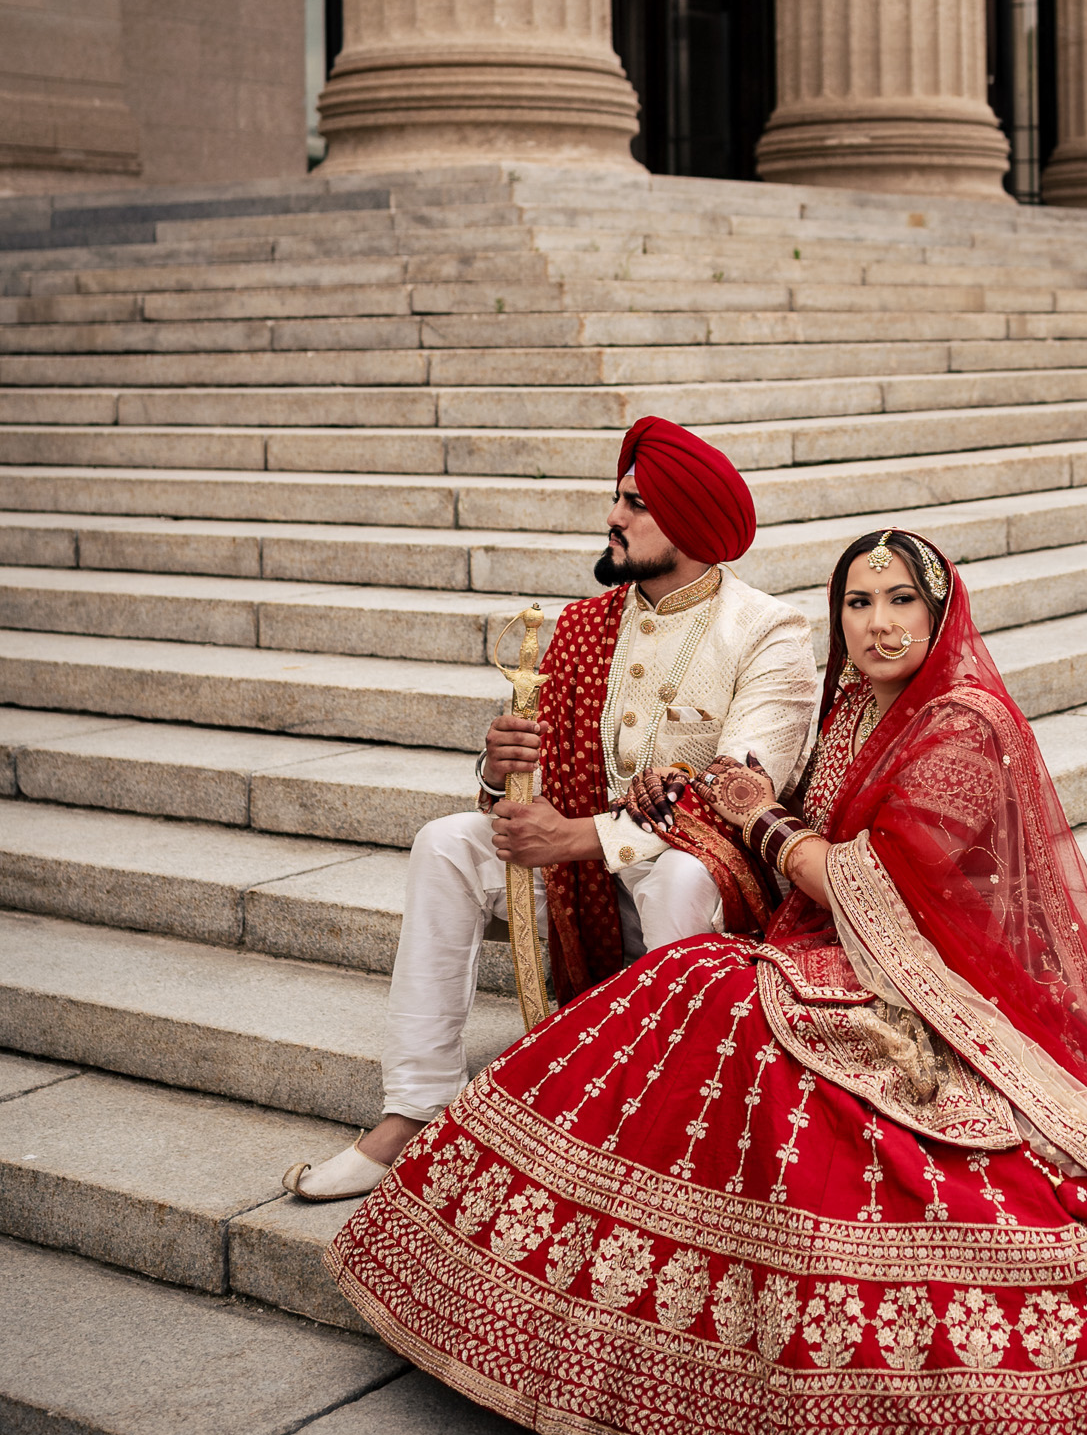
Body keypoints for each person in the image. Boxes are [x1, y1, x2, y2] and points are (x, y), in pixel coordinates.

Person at [324, 524, 1087, 1435]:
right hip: (819, 950)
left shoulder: (962, 724)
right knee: (685, 989)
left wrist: (756, 820)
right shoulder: (856, 711)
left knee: (710, 1001)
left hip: (919, 990)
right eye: (856, 602)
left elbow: (866, 883)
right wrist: (684, 798)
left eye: (899, 600)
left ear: (938, 608)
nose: (875, 623)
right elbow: (787, 824)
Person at [284, 417, 819, 1202]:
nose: (614, 516)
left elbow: (739, 793)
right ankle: (411, 1110)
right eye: (617, 498)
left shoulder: (769, 631)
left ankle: (673, 1126)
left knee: (677, 880)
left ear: (693, 522)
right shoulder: (579, 627)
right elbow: (538, 791)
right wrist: (502, 778)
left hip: (701, 887)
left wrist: (576, 838)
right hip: (586, 897)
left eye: (635, 504)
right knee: (446, 842)